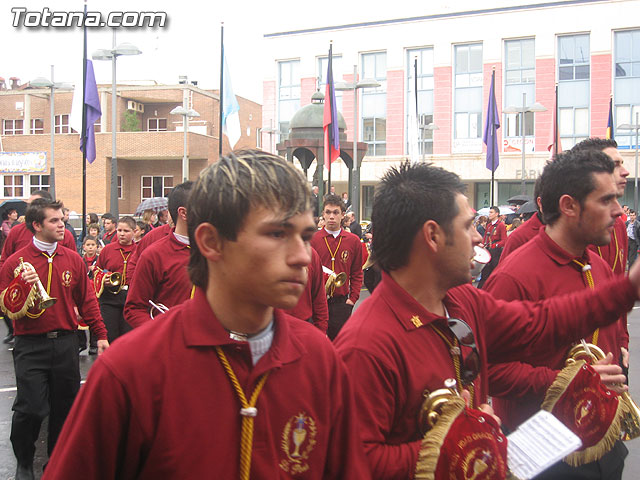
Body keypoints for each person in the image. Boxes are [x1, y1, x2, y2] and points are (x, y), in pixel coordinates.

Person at [42, 149, 370, 479]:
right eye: (277, 234)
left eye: (306, 237)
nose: (303, 257)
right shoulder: (131, 371)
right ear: (211, 242)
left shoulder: (319, 359)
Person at [332, 162, 639, 479]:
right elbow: (355, 463)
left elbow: (541, 321)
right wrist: (459, 443)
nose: (479, 237)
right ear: (433, 236)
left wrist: (627, 289)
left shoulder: (462, 300)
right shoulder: (366, 346)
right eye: (468, 226)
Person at [484, 150, 629, 479]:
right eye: (606, 200)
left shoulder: (599, 265)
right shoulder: (514, 277)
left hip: (602, 446)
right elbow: (489, 370)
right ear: (569, 206)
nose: (619, 211)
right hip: (544, 455)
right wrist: (569, 382)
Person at [0, 198, 109, 480]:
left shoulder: (72, 258)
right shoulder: (16, 261)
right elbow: (5, 304)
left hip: (65, 343)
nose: (62, 225)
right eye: (55, 221)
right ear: (37, 225)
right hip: (30, 344)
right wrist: (20, 287)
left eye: (62, 220)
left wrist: (100, 334)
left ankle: (56, 464)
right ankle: (24, 460)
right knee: (32, 407)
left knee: (65, 408)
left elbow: (87, 301)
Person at [124, 182, 194, 328]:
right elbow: (134, 309)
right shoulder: (154, 254)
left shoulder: (218, 250)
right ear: (184, 213)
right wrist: (161, 333)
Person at [572, 139, 630, 276]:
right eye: (615, 165)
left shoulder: (620, 226)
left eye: (622, 164)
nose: (625, 172)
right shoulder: (569, 228)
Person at [310, 194, 363, 340]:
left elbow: (357, 272)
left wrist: (352, 299)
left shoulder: (353, 241)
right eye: (328, 212)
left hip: (341, 303)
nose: (331, 216)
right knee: (316, 344)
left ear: (342, 215)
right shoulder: (313, 240)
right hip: (316, 302)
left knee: (340, 346)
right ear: (323, 214)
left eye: (335, 212)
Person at [0, 191, 76, 269]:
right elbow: (4, 262)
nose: (30, 209)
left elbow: (73, 265)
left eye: (35, 204)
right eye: (29, 205)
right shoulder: (16, 231)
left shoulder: (65, 235)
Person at [95, 216, 137, 343]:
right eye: (119, 231)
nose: (122, 234)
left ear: (134, 232)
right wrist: (104, 279)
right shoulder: (107, 250)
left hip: (131, 298)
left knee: (129, 338)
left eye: (126, 231)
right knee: (110, 335)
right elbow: (97, 270)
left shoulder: (140, 250)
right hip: (109, 299)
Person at [284, 247, 329, 334]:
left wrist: (321, 331)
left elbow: (319, 299)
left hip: (303, 328)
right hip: (269, 333)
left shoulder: (311, 254)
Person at [477, 205, 507, 288]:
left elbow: (504, 241)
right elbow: (485, 238)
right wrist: (482, 245)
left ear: (497, 214)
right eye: (489, 212)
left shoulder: (501, 225)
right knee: (485, 273)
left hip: (496, 252)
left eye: (491, 212)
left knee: (495, 273)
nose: (489, 214)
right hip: (488, 250)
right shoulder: (489, 225)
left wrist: (495, 245)